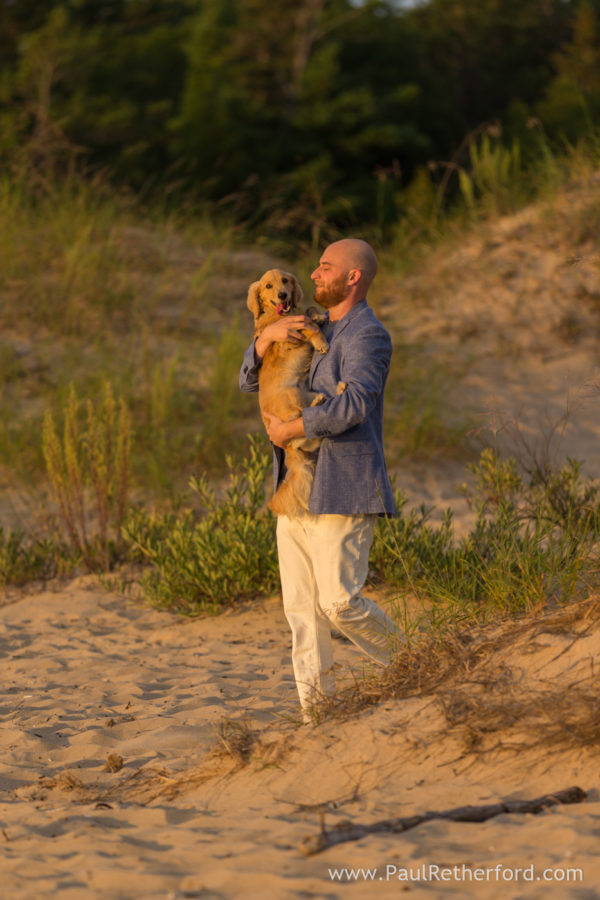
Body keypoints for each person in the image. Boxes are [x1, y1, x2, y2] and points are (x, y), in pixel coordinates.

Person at [239, 238, 401, 716]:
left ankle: (415, 662)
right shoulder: (311, 326)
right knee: (302, 614)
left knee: (339, 602)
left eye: (325, 267)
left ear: (353, 277)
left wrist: (293, 426)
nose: (312, 275)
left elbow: (356, 404)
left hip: (344, 485)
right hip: (296, 484)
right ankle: (318, 715)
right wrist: (262, 341)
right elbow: (249, 381)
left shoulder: (367, 335)